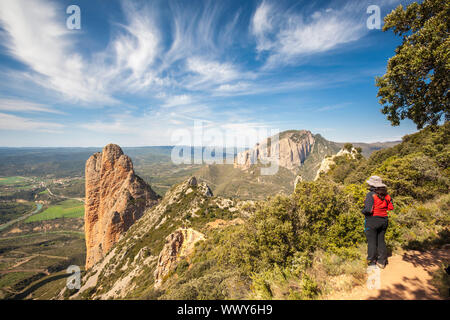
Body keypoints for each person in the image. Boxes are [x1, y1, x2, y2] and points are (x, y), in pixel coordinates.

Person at [361, 175, 394, 269]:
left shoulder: (370, 195)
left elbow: (368, 210)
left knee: (371, 242)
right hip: (384, 220)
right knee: (381, 241)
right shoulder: (386, 195)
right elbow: (390, 207)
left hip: (372, 220)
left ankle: (371, 261)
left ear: (372, 186)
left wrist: (362, 211)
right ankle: (382, 261)